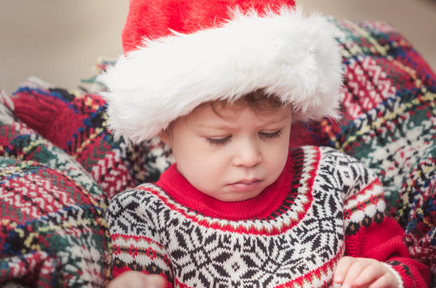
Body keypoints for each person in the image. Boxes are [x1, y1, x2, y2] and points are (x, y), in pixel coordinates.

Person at [100, 0, 430, 287]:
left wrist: (387, 276)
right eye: (220, 139)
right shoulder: (142, 218)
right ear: (164, 129)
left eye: (270, 133)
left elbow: (411, 269)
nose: (249, 157)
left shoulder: (334, 181)